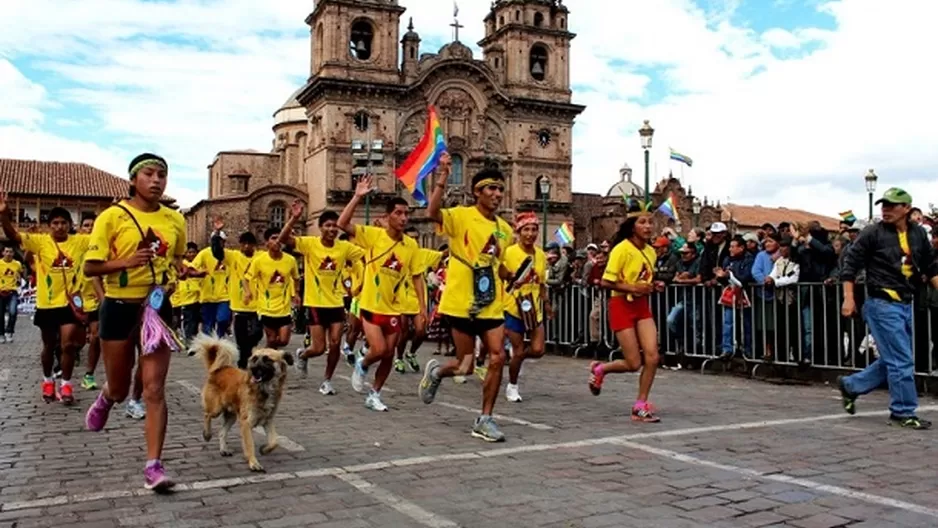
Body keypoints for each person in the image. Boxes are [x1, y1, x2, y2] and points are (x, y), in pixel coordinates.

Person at [83, 153, 187, 491]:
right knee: (119, 386)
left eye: (162, 175)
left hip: (156, 310)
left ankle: (153, 466)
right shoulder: (111, 217)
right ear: (133, 179)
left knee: (154, 389)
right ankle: (106, 398)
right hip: (117, 307)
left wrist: (177, 274)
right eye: (149, 174)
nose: (156, 181)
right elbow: (91, 267)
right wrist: (126, 262)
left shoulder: (175, 220)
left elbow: (176, 258)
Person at [419, 154, 514, 442]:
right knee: (465, 365)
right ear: (477, 192)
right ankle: (437, 373)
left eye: (500, 189)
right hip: (460, 302)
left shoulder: (505, 230)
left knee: (497, 357)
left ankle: (484, 419)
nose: (497, 194)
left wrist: (508, 272)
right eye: (491, 189)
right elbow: (431, 214)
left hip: (491, 305)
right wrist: (442, 179)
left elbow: (499, 263)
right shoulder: (460, 215)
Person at [838, 187, 938, 430]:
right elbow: (849, 266)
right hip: (881, 302)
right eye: (884, 205)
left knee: (895, 358)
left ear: (907, 209)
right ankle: (903, 412)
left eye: (892, 205)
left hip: (904, 302)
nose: (886, 209)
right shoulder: (872, 233)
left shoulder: (917, 234)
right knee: (901, 360)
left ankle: (852, 385)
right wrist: (848, 298)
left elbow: (930, 267)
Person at [337, 175, 426, 412]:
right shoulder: (374, 235)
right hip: (370, 304)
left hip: (394, 307)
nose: (403, 218)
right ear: (387, 217)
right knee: (380, 350)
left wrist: (422, 309)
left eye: (406, 213)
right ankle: (362, 363)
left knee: (388, 355)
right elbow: (342, 224)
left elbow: (417, 277)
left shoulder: (411, 246)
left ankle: (374, 394)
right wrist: (357, 196)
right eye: (398, 213)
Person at [0, 201, 90, 405]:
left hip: (69, 304)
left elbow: (104, 234)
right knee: (49, 346)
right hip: (46, 304)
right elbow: (14, 236)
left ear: (69, 224)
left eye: (64, 223)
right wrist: (4, 216)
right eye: (56, 223)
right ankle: (48, 381)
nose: (60, 227)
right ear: (50, 225)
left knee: (68, 345)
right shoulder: (40, 241)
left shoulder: (80, 242)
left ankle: (66, 385)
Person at [587, 202, 664, 423]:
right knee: (633, 363)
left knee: (652, 356)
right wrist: (633, 287)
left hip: (642, 306)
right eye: (642, 222)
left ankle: (640, 405)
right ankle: (601, 369)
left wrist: (652, 285)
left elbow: (642, 276)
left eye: (650, 222)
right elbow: (606, 281)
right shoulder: (621, 249)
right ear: (632, 226)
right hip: (621, 305)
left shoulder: (650, 251)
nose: (648, 226)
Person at [278, 202, 364, 395]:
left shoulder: (345, 247)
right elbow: (284, 239)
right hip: (316, 303)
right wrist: (293, 218)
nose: (332, 229)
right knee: (319, 348)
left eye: (335, 226)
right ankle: (303, 354)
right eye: (328, 226)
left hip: (335, 303)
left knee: (335, 343)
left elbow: (369, 255)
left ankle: (327, 380)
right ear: (321, 227)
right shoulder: (309, 244)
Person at [503, 212, 551, 403]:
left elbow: (541, 283)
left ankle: (518, 359)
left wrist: (546, 303)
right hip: (513, 307)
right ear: (519, 232)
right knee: (518, 347)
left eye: (534, 230)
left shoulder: (540, 255)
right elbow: (501, 278)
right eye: (526, 230)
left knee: (538, 349)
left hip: (533, 308)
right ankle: (512, 385)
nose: (530, 234)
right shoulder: (509, 253)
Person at [207, 220, 261, 368]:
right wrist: (216, 234)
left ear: (254, 245)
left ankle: (249, 351)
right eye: (244, 244)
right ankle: (243, 361)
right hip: (239, 305)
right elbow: (217, 252)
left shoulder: (261, 257)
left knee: (256, 334)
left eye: (250, 244)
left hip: (258, 305)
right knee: (241, 339)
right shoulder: (233, 256)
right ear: (240, 244)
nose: (247, 247)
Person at [394, 226, 443, 374]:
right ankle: (399, 358)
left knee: (421, 331)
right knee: (403, 332)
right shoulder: (398, 252)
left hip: (418, 300)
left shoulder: (423, 254)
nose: (414, 241)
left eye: (416, 238)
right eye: (411, 238)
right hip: (401, 299)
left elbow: (444, 254)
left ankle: (412, 353)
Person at [245, 228, 299, 349]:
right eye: (274, 238)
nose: (277, 241)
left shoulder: (290, 260)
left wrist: (296, 293)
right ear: (266, 243)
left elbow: (296, 278)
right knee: (272, 339)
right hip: (266, 308)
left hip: (284, 308)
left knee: (283, 341)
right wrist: (247, 292)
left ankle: (264, 355)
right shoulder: (259, 261)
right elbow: (246, 278)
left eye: (280, 238)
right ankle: (268, 363)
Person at [77, 214, 106, 391]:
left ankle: (89, 374)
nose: (89, 229)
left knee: (96, 337)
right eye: (86, 226)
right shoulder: (76, 243)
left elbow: (97, 275)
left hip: (96, 297)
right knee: (73, 341)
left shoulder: (102, 245)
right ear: (80, 228)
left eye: (92, 226)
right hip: (76, 296)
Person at [170, 242, 204, 346]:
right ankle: (188, 340)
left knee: (195, 320)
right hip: (184, 298)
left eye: (193, 252)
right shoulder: (182, 265)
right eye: (189, 252)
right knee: (187, 320)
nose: (191, 254)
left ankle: (192, 339)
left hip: (198, 297)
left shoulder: (200, 264)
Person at [0, 244, 23, 343]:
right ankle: (1, 334)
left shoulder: (17, 264)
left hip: (12, 291)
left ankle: (9, 332)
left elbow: (20, 274)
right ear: (3, 253)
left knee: (13, 312)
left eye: (10, 252)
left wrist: (18, 281)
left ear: (13, 253)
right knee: (0, 314)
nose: (8, 254)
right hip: (0, 291)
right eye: (7, 251)